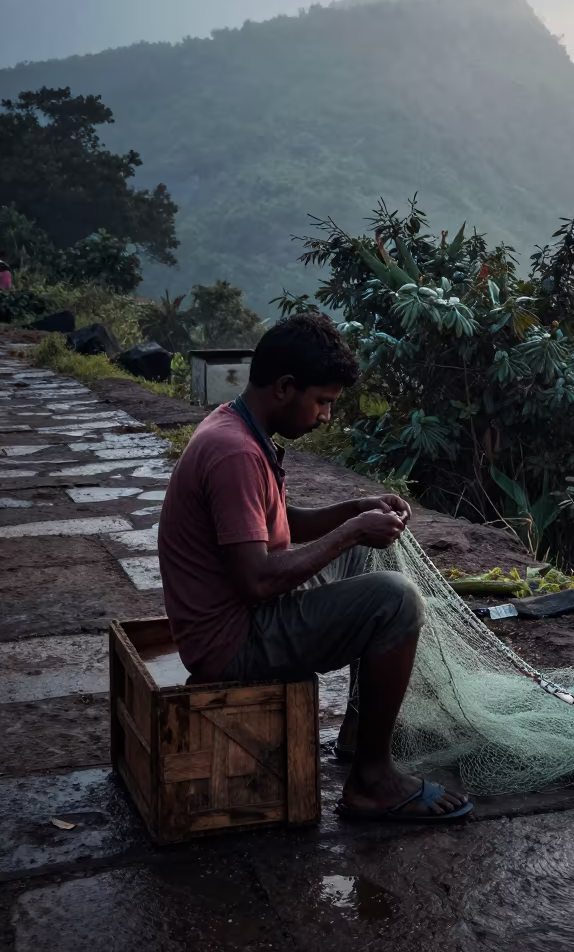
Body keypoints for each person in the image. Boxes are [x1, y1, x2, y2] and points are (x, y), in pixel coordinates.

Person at [158, 312, 471, 823]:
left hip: (244, 614)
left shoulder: (240, 426)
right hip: (231, 641)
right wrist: (350, 530)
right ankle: (372, 781)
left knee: (366, 555)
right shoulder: (233, 453)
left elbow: (280, 525)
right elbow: (256, 580)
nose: (326, 416)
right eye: (322, 402)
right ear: (285, 388)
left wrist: (355, 511)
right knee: (395, 601)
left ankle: (357, 732)